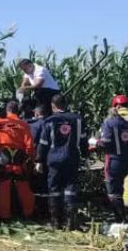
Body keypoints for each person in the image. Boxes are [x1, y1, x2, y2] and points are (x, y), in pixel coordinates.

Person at [35, 94, 88, 230]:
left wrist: (39, 160)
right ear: (65, 104)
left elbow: (43, 143)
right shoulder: (77, 120)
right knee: (70, 188)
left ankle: (56, 223)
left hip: (54, 159)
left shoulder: (50, 121)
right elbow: (83, 141)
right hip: (71, 157)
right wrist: (86, 155)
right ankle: (70, 223)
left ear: (53, 106)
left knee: (54, 189)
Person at [0, 100, 36, 220]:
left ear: (7, 110)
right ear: (18, 111)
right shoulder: (24, 125)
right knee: (23, 184)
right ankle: (28, 214)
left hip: (4, 156)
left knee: (4, 185)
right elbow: (30, 146)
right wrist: (31, 159)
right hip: (19, 158)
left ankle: (4, 216)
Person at [96, 96, 128, 222]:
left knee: (112, 190)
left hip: (114, 160)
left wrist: (96, 142)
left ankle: (119, 219)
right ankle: (124, 214)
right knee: (123, 188)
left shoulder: (109, 122)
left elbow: (106, 143)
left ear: (116, 106)